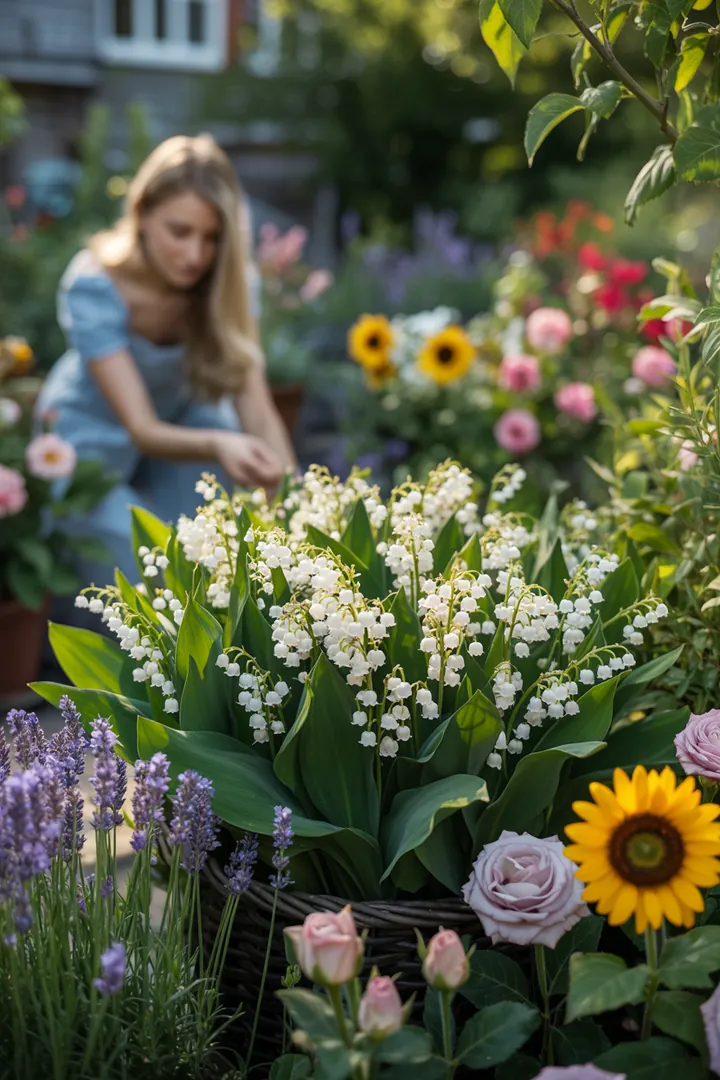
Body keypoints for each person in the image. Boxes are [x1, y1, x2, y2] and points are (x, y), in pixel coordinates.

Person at [37, 134, 296, 586]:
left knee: (215, 552)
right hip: (90, 434)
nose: (195, 255)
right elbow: (141, 427)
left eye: (211, 238)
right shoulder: (95, 284)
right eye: (180, 232)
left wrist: (296, 501)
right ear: (141, 214)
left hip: (184, 428)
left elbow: (256, 407)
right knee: (146, 562)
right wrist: (220, 443)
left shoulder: (228, 284)